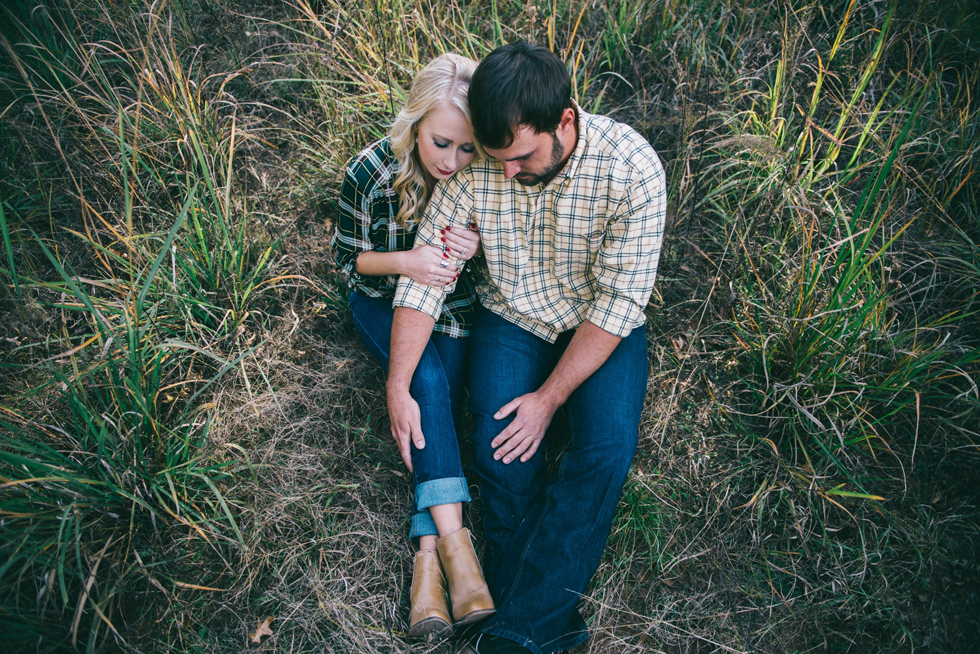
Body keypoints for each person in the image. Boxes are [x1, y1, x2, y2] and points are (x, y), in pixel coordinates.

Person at [386, 42, 666, 654]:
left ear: (564, 120)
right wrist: (398, 380)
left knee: (603, 450)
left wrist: (548, 399)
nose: (506, 171)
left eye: (521, 156)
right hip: (512, 314)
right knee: (498, 448)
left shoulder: (632, 169)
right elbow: (424, 277)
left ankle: (516, 633)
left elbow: (620, 303)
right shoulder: (483, 160)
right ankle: (547, 626)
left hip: (598, 323)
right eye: (496, 159)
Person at [332, 52, 495, 639]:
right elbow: (348, 260)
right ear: (415, 124)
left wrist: (473, 245)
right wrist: (407, 261)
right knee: (423, 382)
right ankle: (459, 549)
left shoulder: (483, 173)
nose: (452, 161)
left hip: (449, 306)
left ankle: (427, 565)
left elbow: (488, 257)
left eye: (466, 148)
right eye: (441, 143)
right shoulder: (371, 171)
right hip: (378, 296)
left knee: (442, 400)